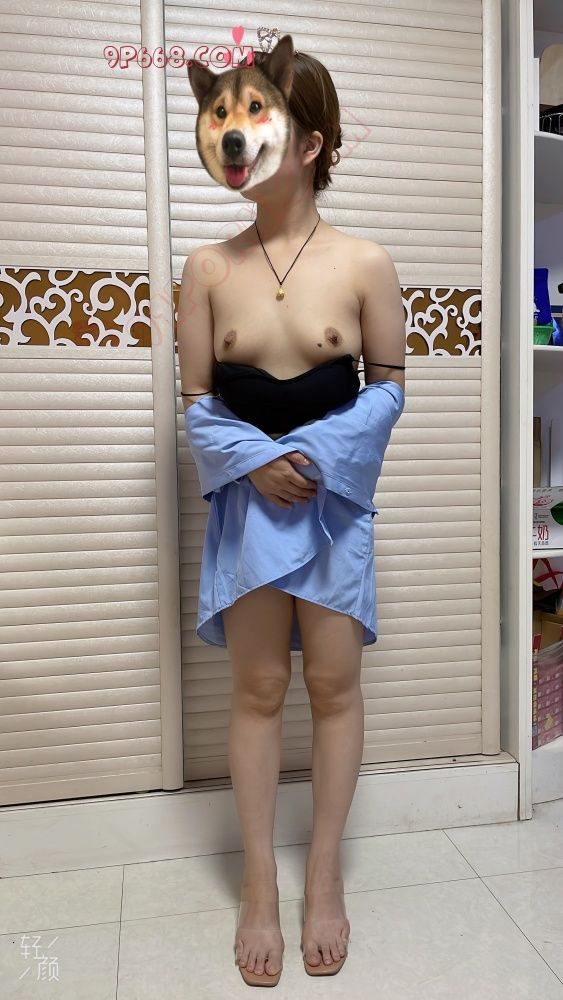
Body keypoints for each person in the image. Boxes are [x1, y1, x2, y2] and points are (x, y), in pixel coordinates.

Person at [177, 46, 406, 985]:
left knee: (335, 688)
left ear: (310, 144)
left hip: (331, 505)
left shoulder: (364, 262)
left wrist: (310, 460)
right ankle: (258, 891)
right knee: (260, 689)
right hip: (249, 508)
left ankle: (322, 880)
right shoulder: (206, 267)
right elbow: (197, 401)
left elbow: (387, 387)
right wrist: (254, 461)